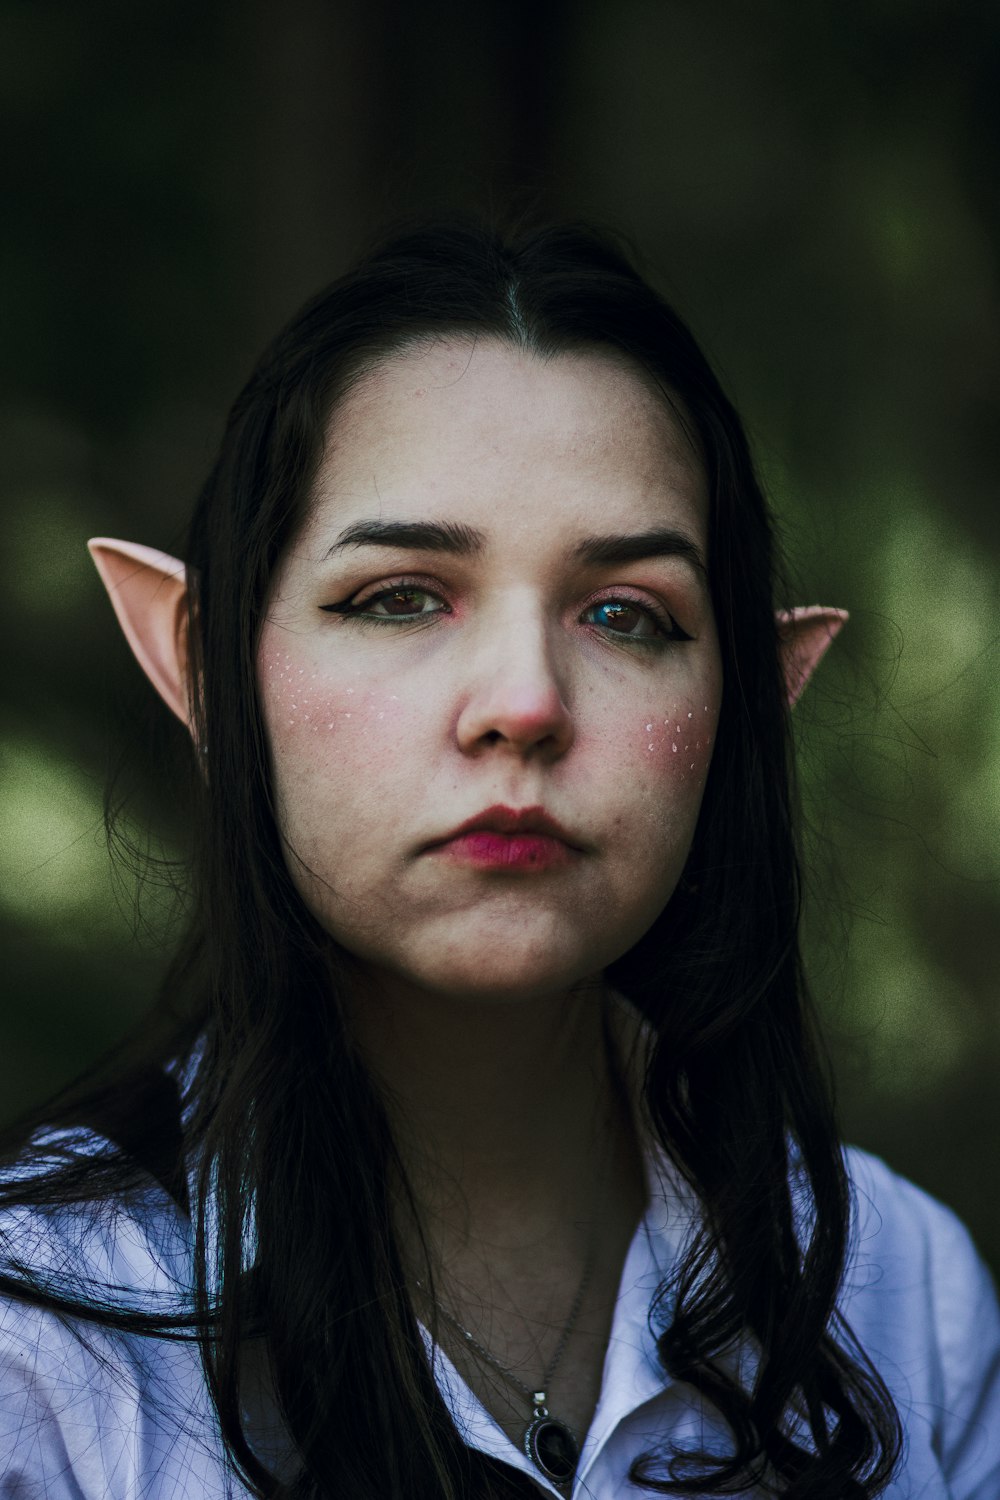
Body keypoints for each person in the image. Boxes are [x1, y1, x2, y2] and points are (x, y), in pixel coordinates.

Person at [1, 219, 998, 1500]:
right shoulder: (45, 1343)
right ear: (200, 666)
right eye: (399, 596)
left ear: (746, 706)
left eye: (627, 616)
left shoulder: (903, 1298)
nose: (524, 701)